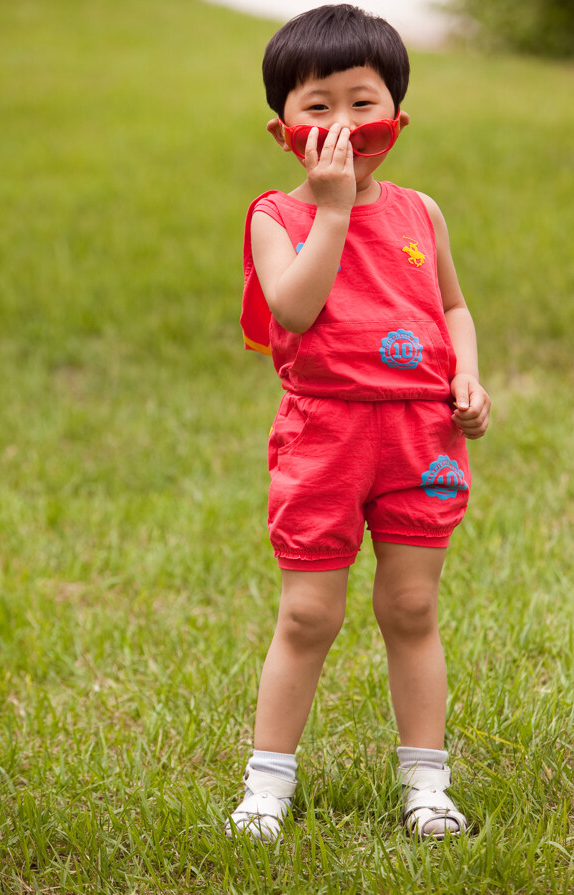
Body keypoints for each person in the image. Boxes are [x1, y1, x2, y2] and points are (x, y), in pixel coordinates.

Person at [227, 3, 490, 842]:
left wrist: (470, 374)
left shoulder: (423, 212)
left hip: (420, 437)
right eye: (317, 107)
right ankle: (267, 785)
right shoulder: (280, 214)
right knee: (310, 613)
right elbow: (293, 312)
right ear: (282, 131)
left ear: (397, 117)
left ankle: (427, 782)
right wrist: (333, 210)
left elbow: (452, 305)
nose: (342, 123)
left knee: (411, 607)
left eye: (362, 101)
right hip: (326, 437)